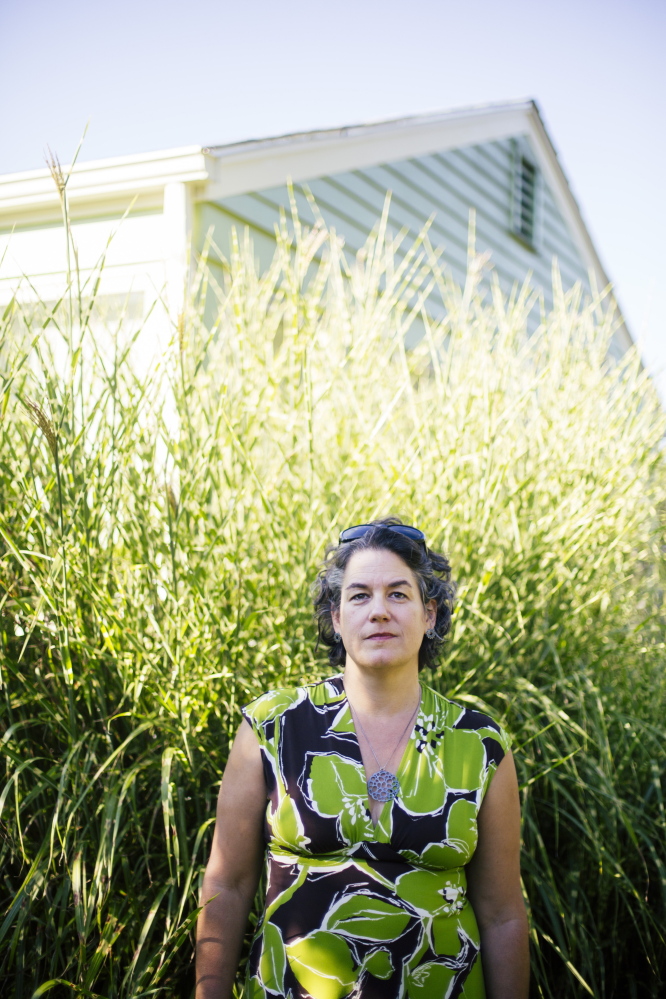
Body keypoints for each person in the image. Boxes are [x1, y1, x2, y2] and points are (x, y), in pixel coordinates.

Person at [196, 518, 529, 999]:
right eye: (359, 596)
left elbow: (502, 913)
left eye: (398, 594)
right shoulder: (272, 727)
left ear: (429, 614)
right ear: (336, 618)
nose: (379, 612)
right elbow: (227, 884)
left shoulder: (480, 743)